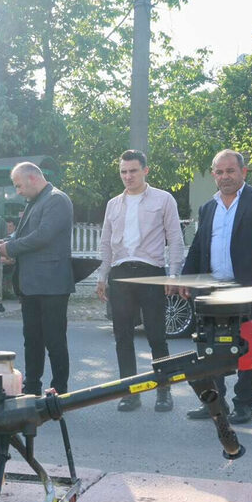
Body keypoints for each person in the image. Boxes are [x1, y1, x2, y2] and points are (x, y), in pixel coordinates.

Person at [180, 149, 252, 425]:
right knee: (210, 348)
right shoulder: (208, 207)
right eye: (219, 172)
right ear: (213, 175)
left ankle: (244, 404)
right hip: (213, 292)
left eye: (230, 171)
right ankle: (215, 402)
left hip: (249, 290)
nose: (225, 176)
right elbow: (199, 247)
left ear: (243, 172)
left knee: (248, 349)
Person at [96, 150, 184, 412]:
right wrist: (102, 276)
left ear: (145, 170)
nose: (128, 176)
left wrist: (174, 275)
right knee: (122, 336)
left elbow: (175, 238)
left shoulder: (163, 199)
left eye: (133, 170)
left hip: (151, 272)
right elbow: (105, 244)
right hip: (120, 274)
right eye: (123, 171)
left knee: (157, 335)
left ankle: (163, 391)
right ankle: (131, 392)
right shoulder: (113, 204)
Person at [0, 162, 74, 394]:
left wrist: (11, 248)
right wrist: (7, 242)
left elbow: (43, 236)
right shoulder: (35, 201)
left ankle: (60, 390)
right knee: (32, 340)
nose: (17, 191)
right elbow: (22, 234)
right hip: (31, 285)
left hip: (52, 286)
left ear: (32, 178)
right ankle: (32, 387)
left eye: (19, 185)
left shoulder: (57, 199)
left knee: (55, 341)